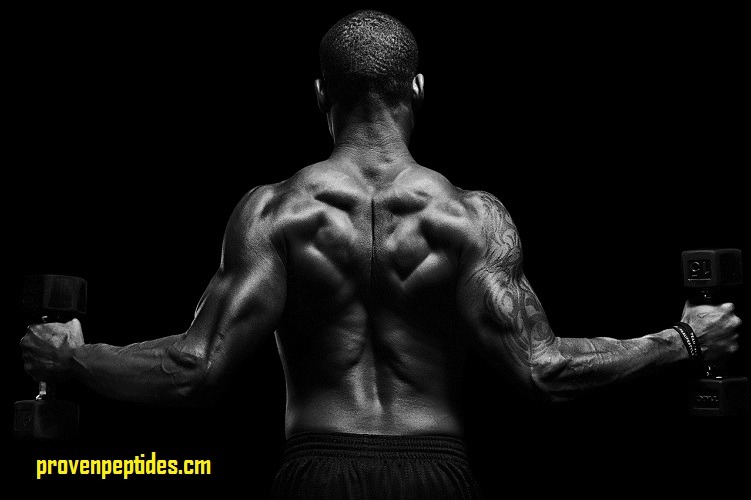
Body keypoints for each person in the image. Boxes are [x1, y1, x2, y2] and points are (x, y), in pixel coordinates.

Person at [21, 9, 742, 499]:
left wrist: (74, 360)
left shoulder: (275, 212)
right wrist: (681, 340)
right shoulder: (470, 218)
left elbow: (197, 369)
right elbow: (542, 370)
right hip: (438, 475)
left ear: (319, 94)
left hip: (313, 474)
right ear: (419, 89)